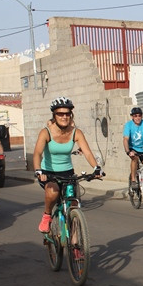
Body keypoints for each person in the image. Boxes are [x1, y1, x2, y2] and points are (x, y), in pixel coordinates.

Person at [33, 96, 103, 232]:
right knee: (53, 192)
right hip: (48, 173)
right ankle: (47, 216)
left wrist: (96, 168)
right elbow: (37, 153)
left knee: (73, 205)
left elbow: (87, 152)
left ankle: (76, 242)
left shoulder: (76, 132)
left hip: (68, 173)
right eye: (60, 113)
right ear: (54, 115)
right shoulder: (46, 132)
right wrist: (38, 170)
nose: (64, 116)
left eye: (67, 113)